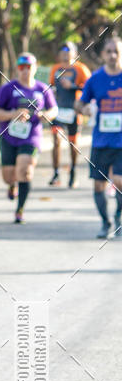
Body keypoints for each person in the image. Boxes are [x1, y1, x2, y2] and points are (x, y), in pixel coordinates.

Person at [0, 53, 58, 223]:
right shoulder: (8, 88)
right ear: (17, 69)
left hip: (31, 136)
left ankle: (19, 210)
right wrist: (12, 114)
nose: (25, 71)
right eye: (22, 67)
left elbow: (54, 110)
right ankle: (11, 185)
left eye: (29, 67)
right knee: (9, 175)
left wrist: (46, 115)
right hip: (9, 136)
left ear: (35, 68)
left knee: (25, 171)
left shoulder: (43, 88)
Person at [75, 36, 122, 238]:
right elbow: (80, 104)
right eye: (109, 51)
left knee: (120, 181)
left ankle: (119, 216)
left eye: (116, 52)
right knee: (98, 185)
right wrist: (84, 109)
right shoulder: (95, 79)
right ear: (103, 55)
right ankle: (106, 221)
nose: (112, 55)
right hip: (101, 141)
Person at [48, 42, 90, 188]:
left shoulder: (81, 69)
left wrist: (73, 87)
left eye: (68, 50)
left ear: (74, 53)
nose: (65, 53)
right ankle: (56, 173)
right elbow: (51, 86)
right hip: (58, 110)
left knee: (73, 144)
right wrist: (51, 91)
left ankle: (72, 171)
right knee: (56, 140)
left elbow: (89, 89)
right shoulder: (55, 69)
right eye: (62, 50)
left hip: (74, 111)